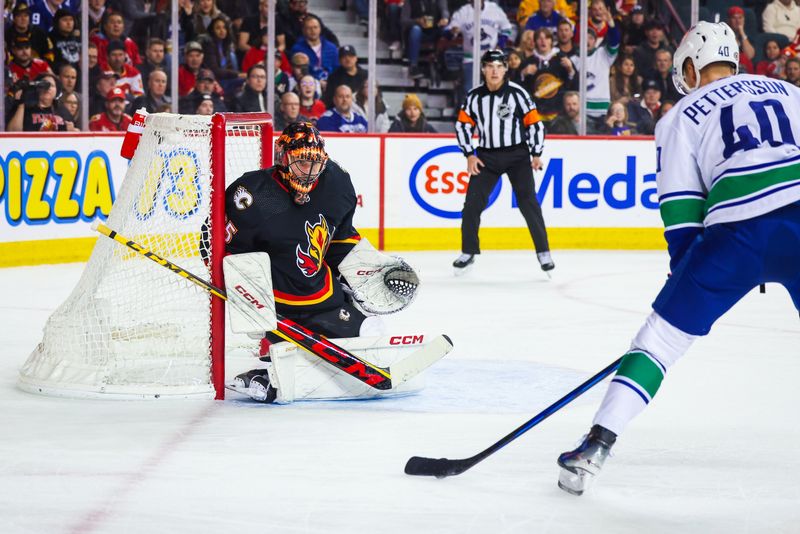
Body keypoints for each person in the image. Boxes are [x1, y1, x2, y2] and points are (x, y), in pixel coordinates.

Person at [557, 21, 800, 496]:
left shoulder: (680, 115)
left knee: (659, 342)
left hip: (736, 235)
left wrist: (687, 276)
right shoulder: (790, 90)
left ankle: (597, 445)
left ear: (691, 64)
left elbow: (682, 212)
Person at [221, 122, 414, 402]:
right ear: (282, 157)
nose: (309, 171)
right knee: (285, 360)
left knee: (374, 332)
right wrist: (251, 304)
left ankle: (287, 369)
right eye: (300, 162)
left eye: (315, 163)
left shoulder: (336, 184)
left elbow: (341, 238)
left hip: (325, 300)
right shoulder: (256, 195)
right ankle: (273, 360)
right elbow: (227, 253)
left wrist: (362, 273)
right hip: (280, 312)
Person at [453, 49, 553, 273]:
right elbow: (462, 125)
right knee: (471, 206)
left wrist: (536, 153)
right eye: (489, 66)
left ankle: (544, 253)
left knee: (529, 204)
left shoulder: (517, 93)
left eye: (499, 66)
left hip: (517, 155)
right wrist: (469, 154)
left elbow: (535, 124)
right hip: (486, 156)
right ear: (483, 69)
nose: (494, 71)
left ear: (506, 69)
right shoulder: (474, 96)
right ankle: (468, 252)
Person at [445, 0, 513, 96]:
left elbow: (507, 28)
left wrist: (500, 45)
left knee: (496, 90)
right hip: (470, 58)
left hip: (491, 58)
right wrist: (452, 31)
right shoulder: (463, 12)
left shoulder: (494, 9)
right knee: (470, 90)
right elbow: (448, 34)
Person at [7, 72, 76, 131]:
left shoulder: (62, 110)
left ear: (56, 92)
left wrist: (71, 131)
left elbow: (75, 131)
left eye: (51, 85)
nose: (48, 88)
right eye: (44, 84)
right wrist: (21, 104)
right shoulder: (25, 108)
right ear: (37, 88)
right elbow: (13, 132)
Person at [401, 0, 449, 79]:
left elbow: (444, 10)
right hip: (419, 32)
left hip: (435, 29)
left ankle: (444, 65)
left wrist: (445, 18)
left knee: (447, 29)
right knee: (415, 30)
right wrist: (417, 21)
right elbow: (403, 20)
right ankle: (413, 66)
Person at [289, 14, 339, 84]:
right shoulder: (297, 49)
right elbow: (298, 73)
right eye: (309, 28)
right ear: (303, 30)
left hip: (330, 85)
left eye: (315, 27)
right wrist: (317, 82)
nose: (313, 31)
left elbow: (337, 70)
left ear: (320, 29)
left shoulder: (332, 48)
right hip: (308, 85)